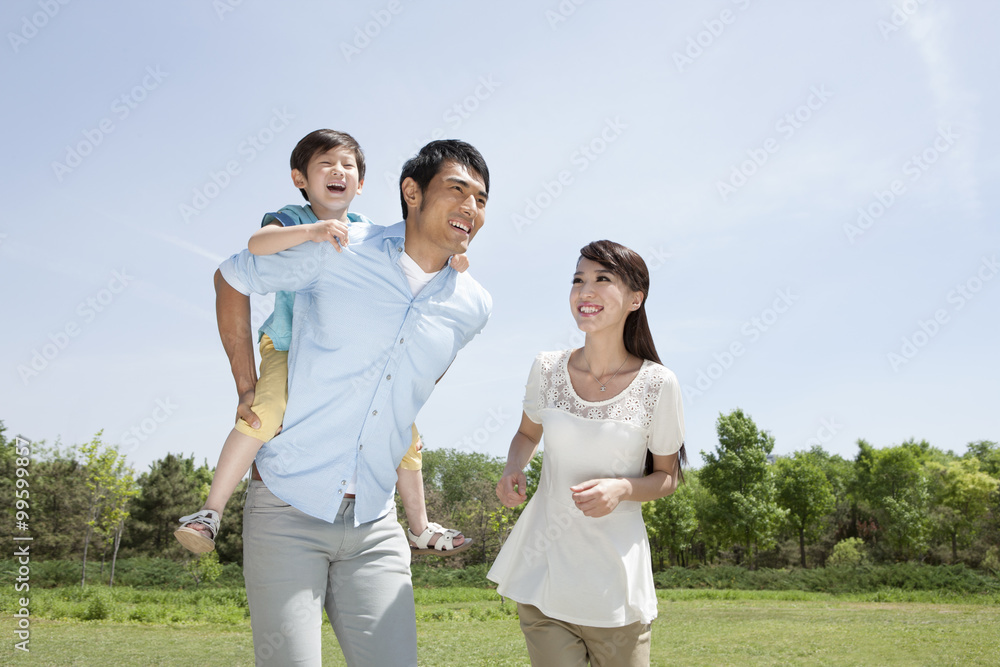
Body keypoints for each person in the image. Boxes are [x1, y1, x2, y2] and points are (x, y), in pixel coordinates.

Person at [215, 139, 491, 666]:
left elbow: (421, 381)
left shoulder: (473, 304)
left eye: (480, 198)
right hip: (288, 505)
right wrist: (247, 385)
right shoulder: (341, 248)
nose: (469, 207)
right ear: (412, 193)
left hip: (375, 521)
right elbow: (232, 276)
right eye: (456, 190)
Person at [173, 129, 470, 558]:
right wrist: (311, 232)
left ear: (361, 184)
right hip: (289, 344)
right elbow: (256, 247)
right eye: (325, 164)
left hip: (345, 353)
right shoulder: (292, 217)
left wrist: (452, 256)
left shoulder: (368, 232)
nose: (339, 171)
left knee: (403, 430)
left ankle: (420, 526)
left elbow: (414, 257)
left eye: (349, 166)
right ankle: (211, 512)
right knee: (266, 411)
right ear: (300, 178)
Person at [489, 240, 687, 667]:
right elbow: (526, 434)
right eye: (578, 280)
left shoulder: (659, 384)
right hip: (545, 576)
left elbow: (667, 477)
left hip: (615, 587)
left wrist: (622, 487)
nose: (585, 291)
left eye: (602, 279)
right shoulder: (547, 369)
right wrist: (512, 469)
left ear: (636, 298)